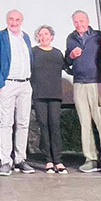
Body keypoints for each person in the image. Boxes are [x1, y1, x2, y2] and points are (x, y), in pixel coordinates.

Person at [65, 10, 101, 174]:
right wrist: (71, 55)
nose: (79, 24)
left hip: (96, 82)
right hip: (79, 84)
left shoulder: (98, 36)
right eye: (76, 22)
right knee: (85, 123)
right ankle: (90, 159)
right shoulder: (71, 38)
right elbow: (66, 62)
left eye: (81, 21)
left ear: (88, 20)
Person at [0, 9, 35, 176]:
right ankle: (6, 161)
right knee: (6, 124)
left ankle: (20, 159)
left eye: (17, 19)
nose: (14, 22)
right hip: (7, 85)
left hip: (25, 85)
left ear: (21, 21)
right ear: (6, 20)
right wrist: (0, 84)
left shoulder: (26, 37)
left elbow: (30, 59)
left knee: (23, 124)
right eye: (11, 19)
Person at [31, 25, 68, 174]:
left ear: (51, 36)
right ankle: (48, 160)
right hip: (39, 94)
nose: (44, 37)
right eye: (41, 35)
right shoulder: (33, 52)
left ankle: (58, 160)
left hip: (55, 94)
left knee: (55, 126)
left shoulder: (57, 53)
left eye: (46, 34)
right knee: (44, 126)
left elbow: (67, 67)